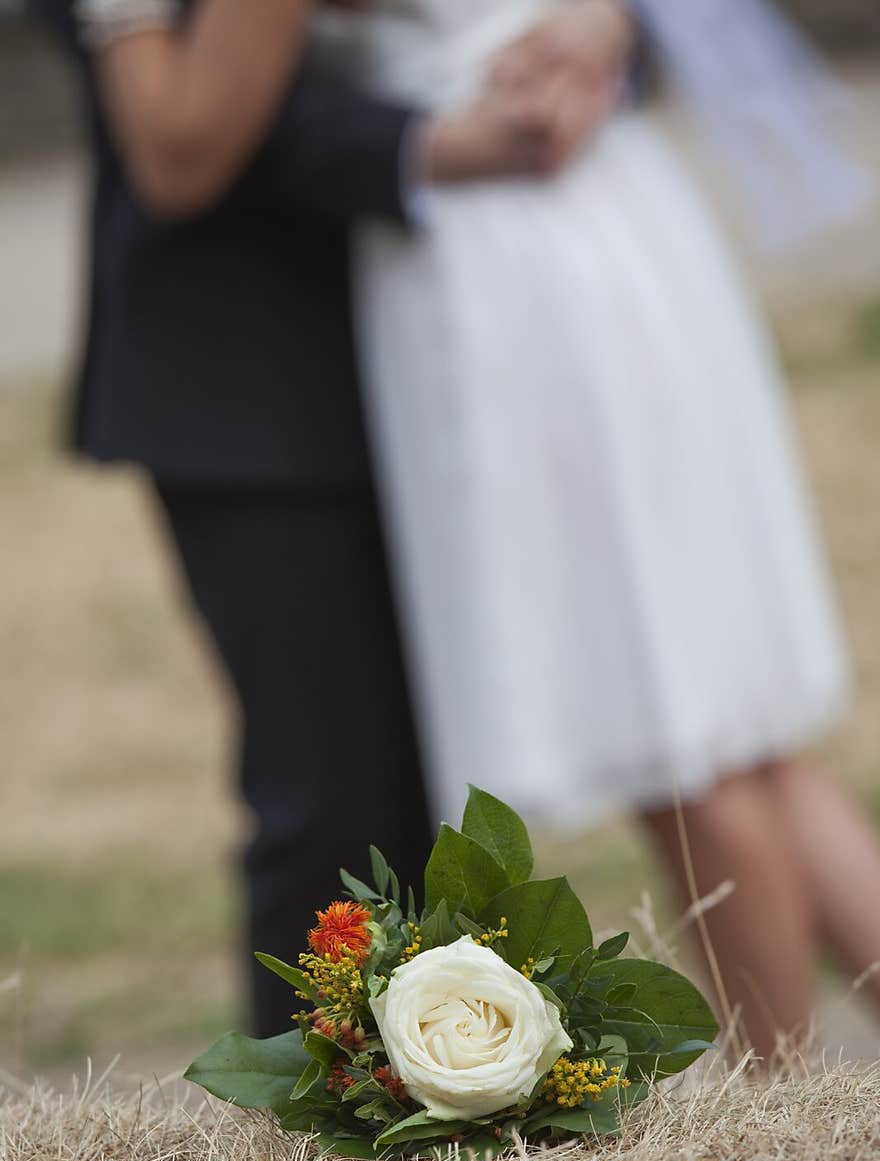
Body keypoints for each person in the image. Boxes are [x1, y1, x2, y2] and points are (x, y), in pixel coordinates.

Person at [36, 0, 626, 1035]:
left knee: (454, 785)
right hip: (250, 360)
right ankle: (323, 1135)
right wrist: (425, 144)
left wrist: (603, 30)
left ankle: (453, 1094)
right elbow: (182, 137)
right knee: (331, 802)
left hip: (455, 326)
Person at [316, 0, 880, 1061]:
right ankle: (796, 1093)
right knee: (742, 736)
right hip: (614, 216)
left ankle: (786, 1091)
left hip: (515, 265)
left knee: (688, 732)